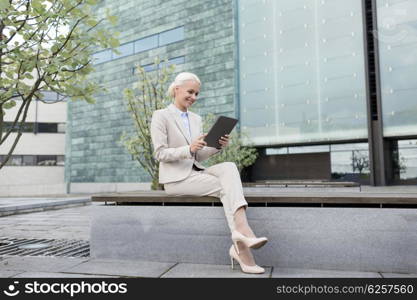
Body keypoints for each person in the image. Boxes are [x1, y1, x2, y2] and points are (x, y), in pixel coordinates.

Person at [150, 72, 268, 274]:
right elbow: (160, 154)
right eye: (190, 92)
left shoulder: (195, 119)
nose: (194, 97)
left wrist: (217, 146)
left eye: (197, 93)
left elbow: (198, 156)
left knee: (229, 166)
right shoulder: (161, 115)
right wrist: (189, 148)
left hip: (196, 172)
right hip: (176, 180)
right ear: (176, 89)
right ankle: (243, 243)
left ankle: (241, 238)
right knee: (226, 188)